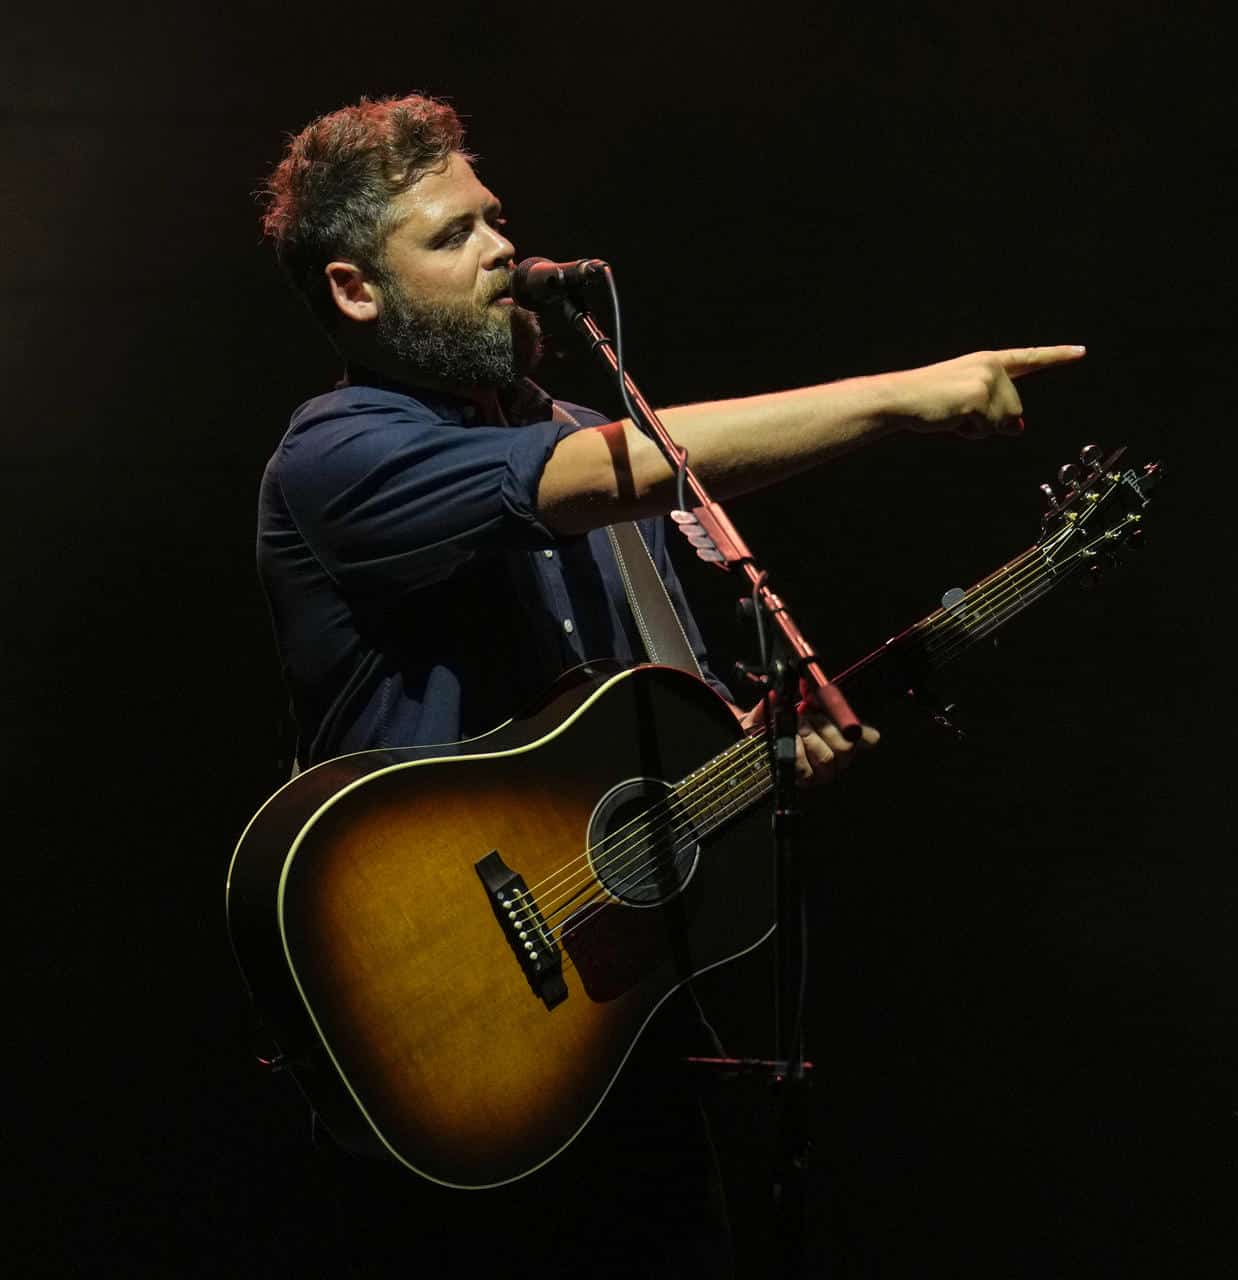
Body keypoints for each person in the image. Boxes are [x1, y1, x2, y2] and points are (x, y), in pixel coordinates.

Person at [252, 94, 1082, 1275]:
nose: (503, 249)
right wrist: (904, 396)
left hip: (613, 1025)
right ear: (354, 290)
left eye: (495, 218)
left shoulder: (591, 432)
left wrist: (762, 744)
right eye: (452, 234)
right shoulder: (338, 448)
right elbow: (588, 477)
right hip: (428, 1026)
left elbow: (654, 718)